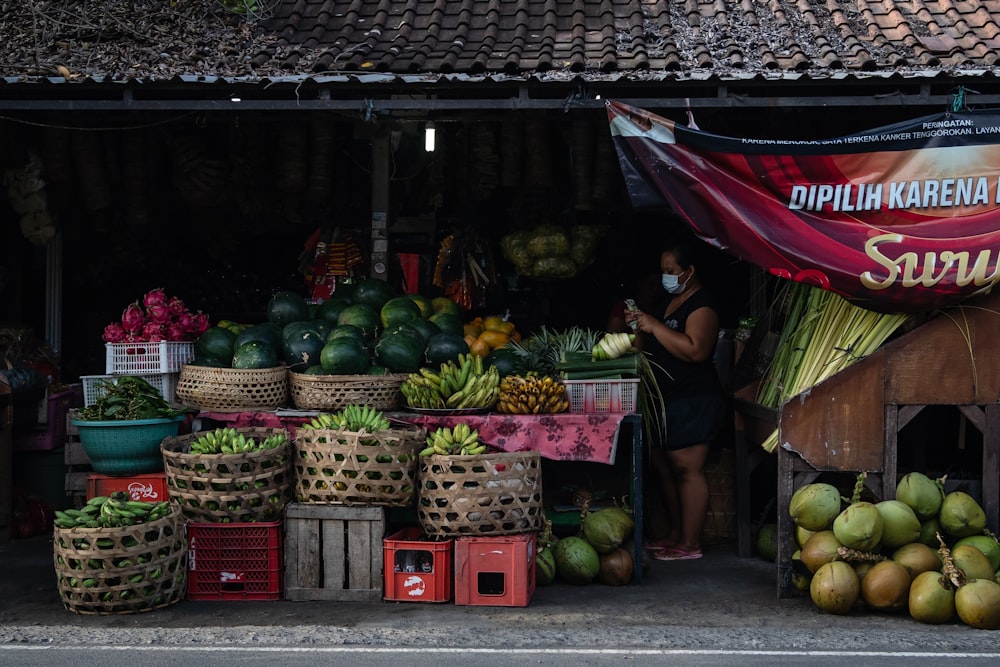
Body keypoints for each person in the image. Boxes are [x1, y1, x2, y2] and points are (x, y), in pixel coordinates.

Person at [625, 241, 727, 561]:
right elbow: (648, 345)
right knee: (666, 468)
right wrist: (638, 326)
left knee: (687, 470)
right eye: (663, 270)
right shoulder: (669, 301)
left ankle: (690, 543)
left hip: (693, 398)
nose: (666, 277)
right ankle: (674, 534)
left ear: (690, 271)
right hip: (664, 399)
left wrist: (654, 325)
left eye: (671, 271)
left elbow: (696, 349)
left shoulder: (702, 306)